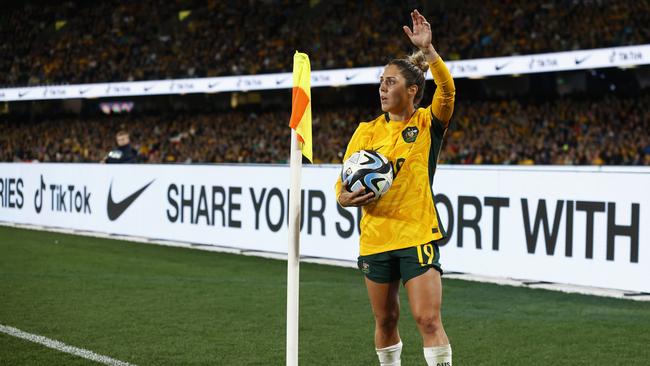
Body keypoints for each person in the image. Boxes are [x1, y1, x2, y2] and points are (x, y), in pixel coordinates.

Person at [335, 10, 455, 366]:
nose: (382, 88)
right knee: (385, 321)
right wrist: (342, 197)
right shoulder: (366, 130)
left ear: (412, 90)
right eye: (381, 82)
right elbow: (343, 179)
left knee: (428, 319)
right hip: (375, 238)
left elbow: (447, 90)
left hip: (416, 234)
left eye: (390, 82)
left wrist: (430, 52)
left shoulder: (427, 122)